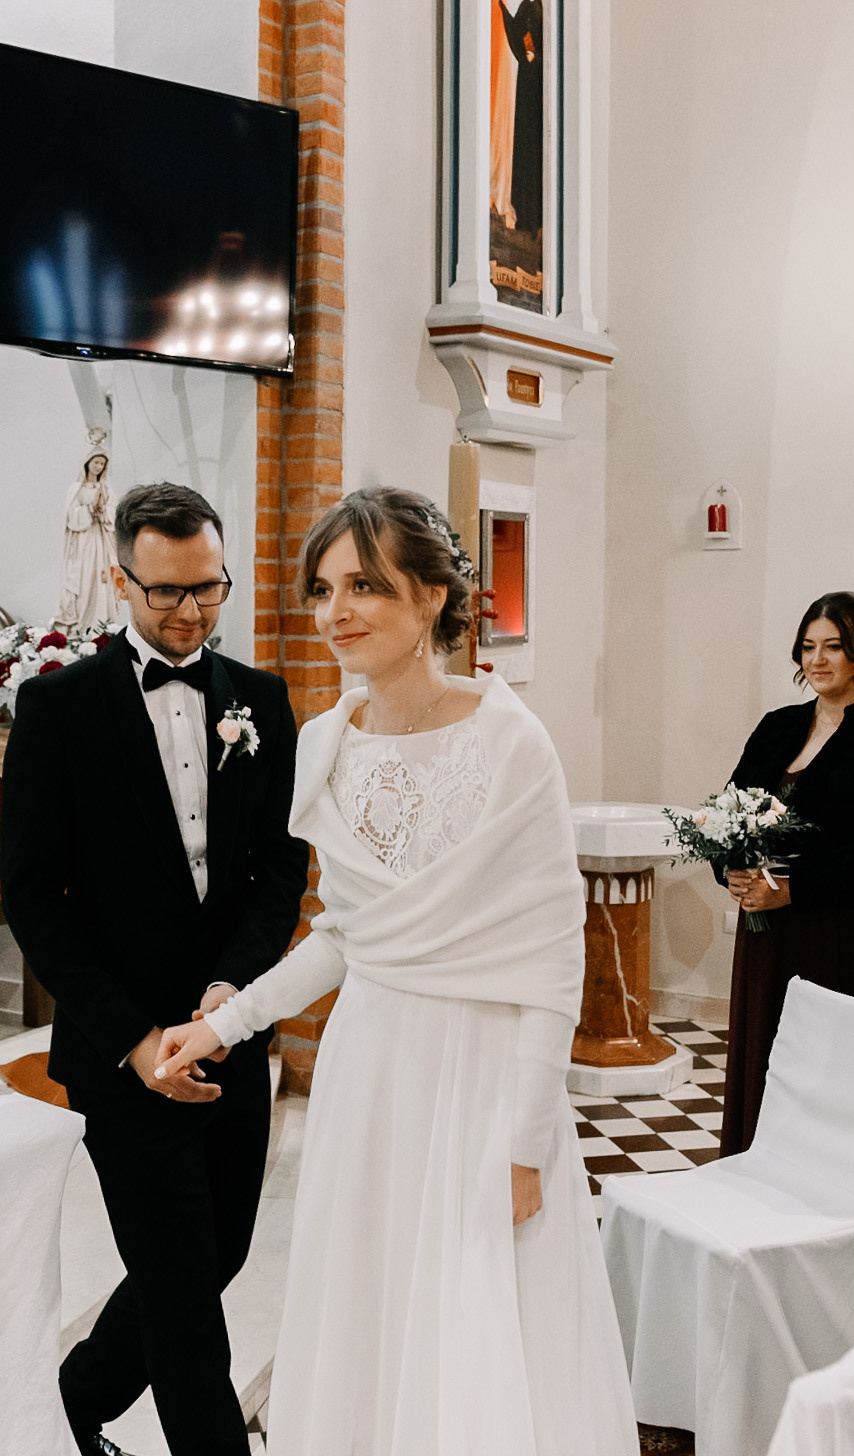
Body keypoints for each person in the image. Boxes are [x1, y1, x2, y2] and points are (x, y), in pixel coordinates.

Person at [153, 486, 635, 1456]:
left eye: (364, 585)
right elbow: (346, 936)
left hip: (482, 1072)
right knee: (369, 1307)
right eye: (323, 588)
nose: (335, 611)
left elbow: (553, 958)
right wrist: (224, 1023)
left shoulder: (511, 741)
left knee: (473, 1321)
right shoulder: (328, 744)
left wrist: (526, 1143)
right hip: (371, 1067)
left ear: (431, 597)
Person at [0, 482, 307, 1456]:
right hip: (120, 1049)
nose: (189, 611)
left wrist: (229, 997)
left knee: (219, 1254)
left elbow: (279, 870)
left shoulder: (260, 701)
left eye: (208, 588)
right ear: (122, 579)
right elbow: (32, 896)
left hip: (230, 1032)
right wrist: (136, 1040)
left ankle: (65, 1409)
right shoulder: (58, 707)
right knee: (181, 1292)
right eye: (166, 590)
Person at [715, 590, 854, 1156]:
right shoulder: (777, 726)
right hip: (768, 929)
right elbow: (728, 810)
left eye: (833, 646)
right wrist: (732, 872)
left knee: (832, 1068)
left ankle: (829, 1185)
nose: (817, 659)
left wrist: (792, 891)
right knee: (766, 1055)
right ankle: (754, 1169)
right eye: (808, 646)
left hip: (843, 928)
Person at [488, 0, 524, 230]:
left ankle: (504, 193)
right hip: (499, 30)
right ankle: (490, 188)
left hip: (515, 36)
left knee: (512, 113)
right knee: (496, 109)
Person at [501, 0, 545, 240]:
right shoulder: (524, 9)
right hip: (525, 82)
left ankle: (535, 219)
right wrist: (501, 9)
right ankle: (522, 214)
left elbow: (546, 45)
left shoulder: (540, 11)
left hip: (536, 83)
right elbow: (516, 32)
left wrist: (536, 57)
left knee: (534, 147)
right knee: (523, 144)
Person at [57, 447, 121, 635]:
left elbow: (114, 511)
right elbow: (71, 516)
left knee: (101, 580)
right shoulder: (77, 488)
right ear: (87, 464)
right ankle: (80, 624)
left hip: (101, 539)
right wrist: (89, 509)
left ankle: (101, 624)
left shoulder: (106, 489)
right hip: (83, 541)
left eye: (102, 464)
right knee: (83, 579)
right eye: (96, 462)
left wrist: (104, 512)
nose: (98, 466)